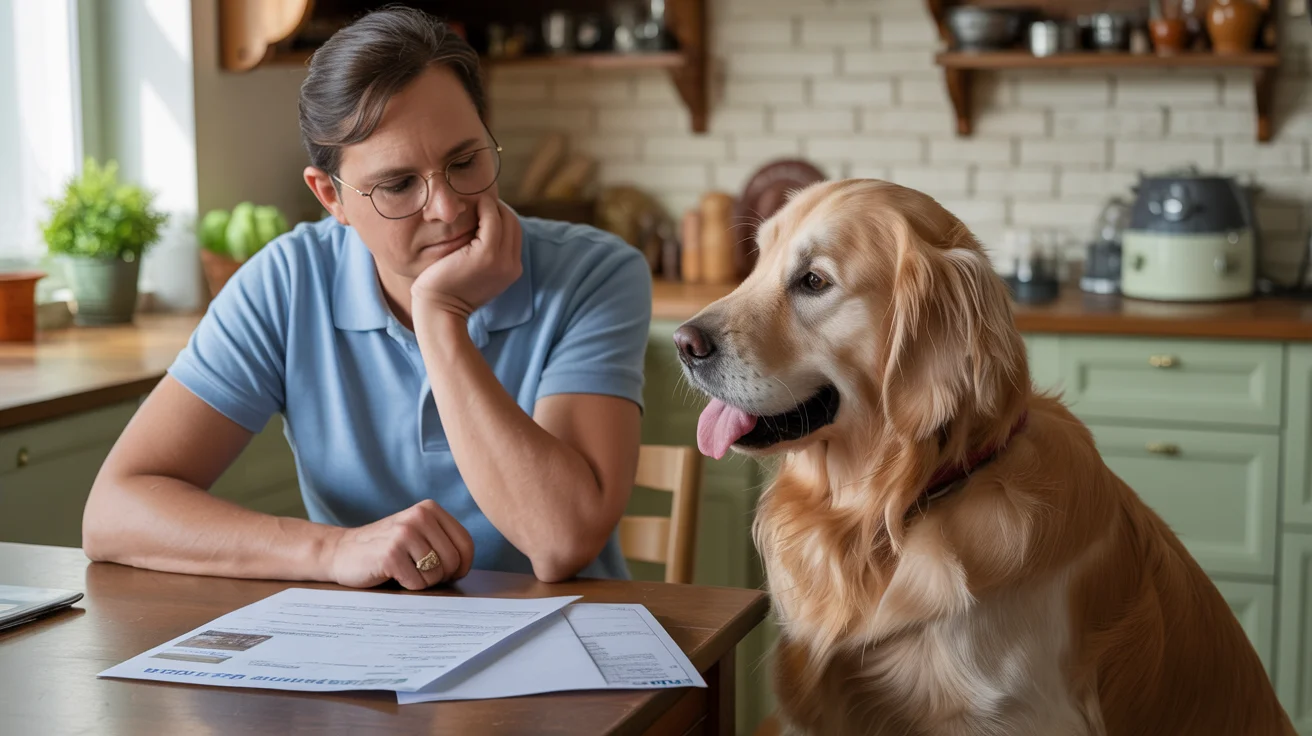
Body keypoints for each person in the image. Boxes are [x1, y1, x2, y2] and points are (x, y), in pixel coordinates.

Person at [81, 7, 652, 587]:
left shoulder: (596, 274)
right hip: (360, 654)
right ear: (331, 197)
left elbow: (560, 543)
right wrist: (332, 552)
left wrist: (440, 320)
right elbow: (114, 512)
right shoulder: (287, 281)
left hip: (564, 646)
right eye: (398, 185)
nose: (447, 207)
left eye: (465, 160)